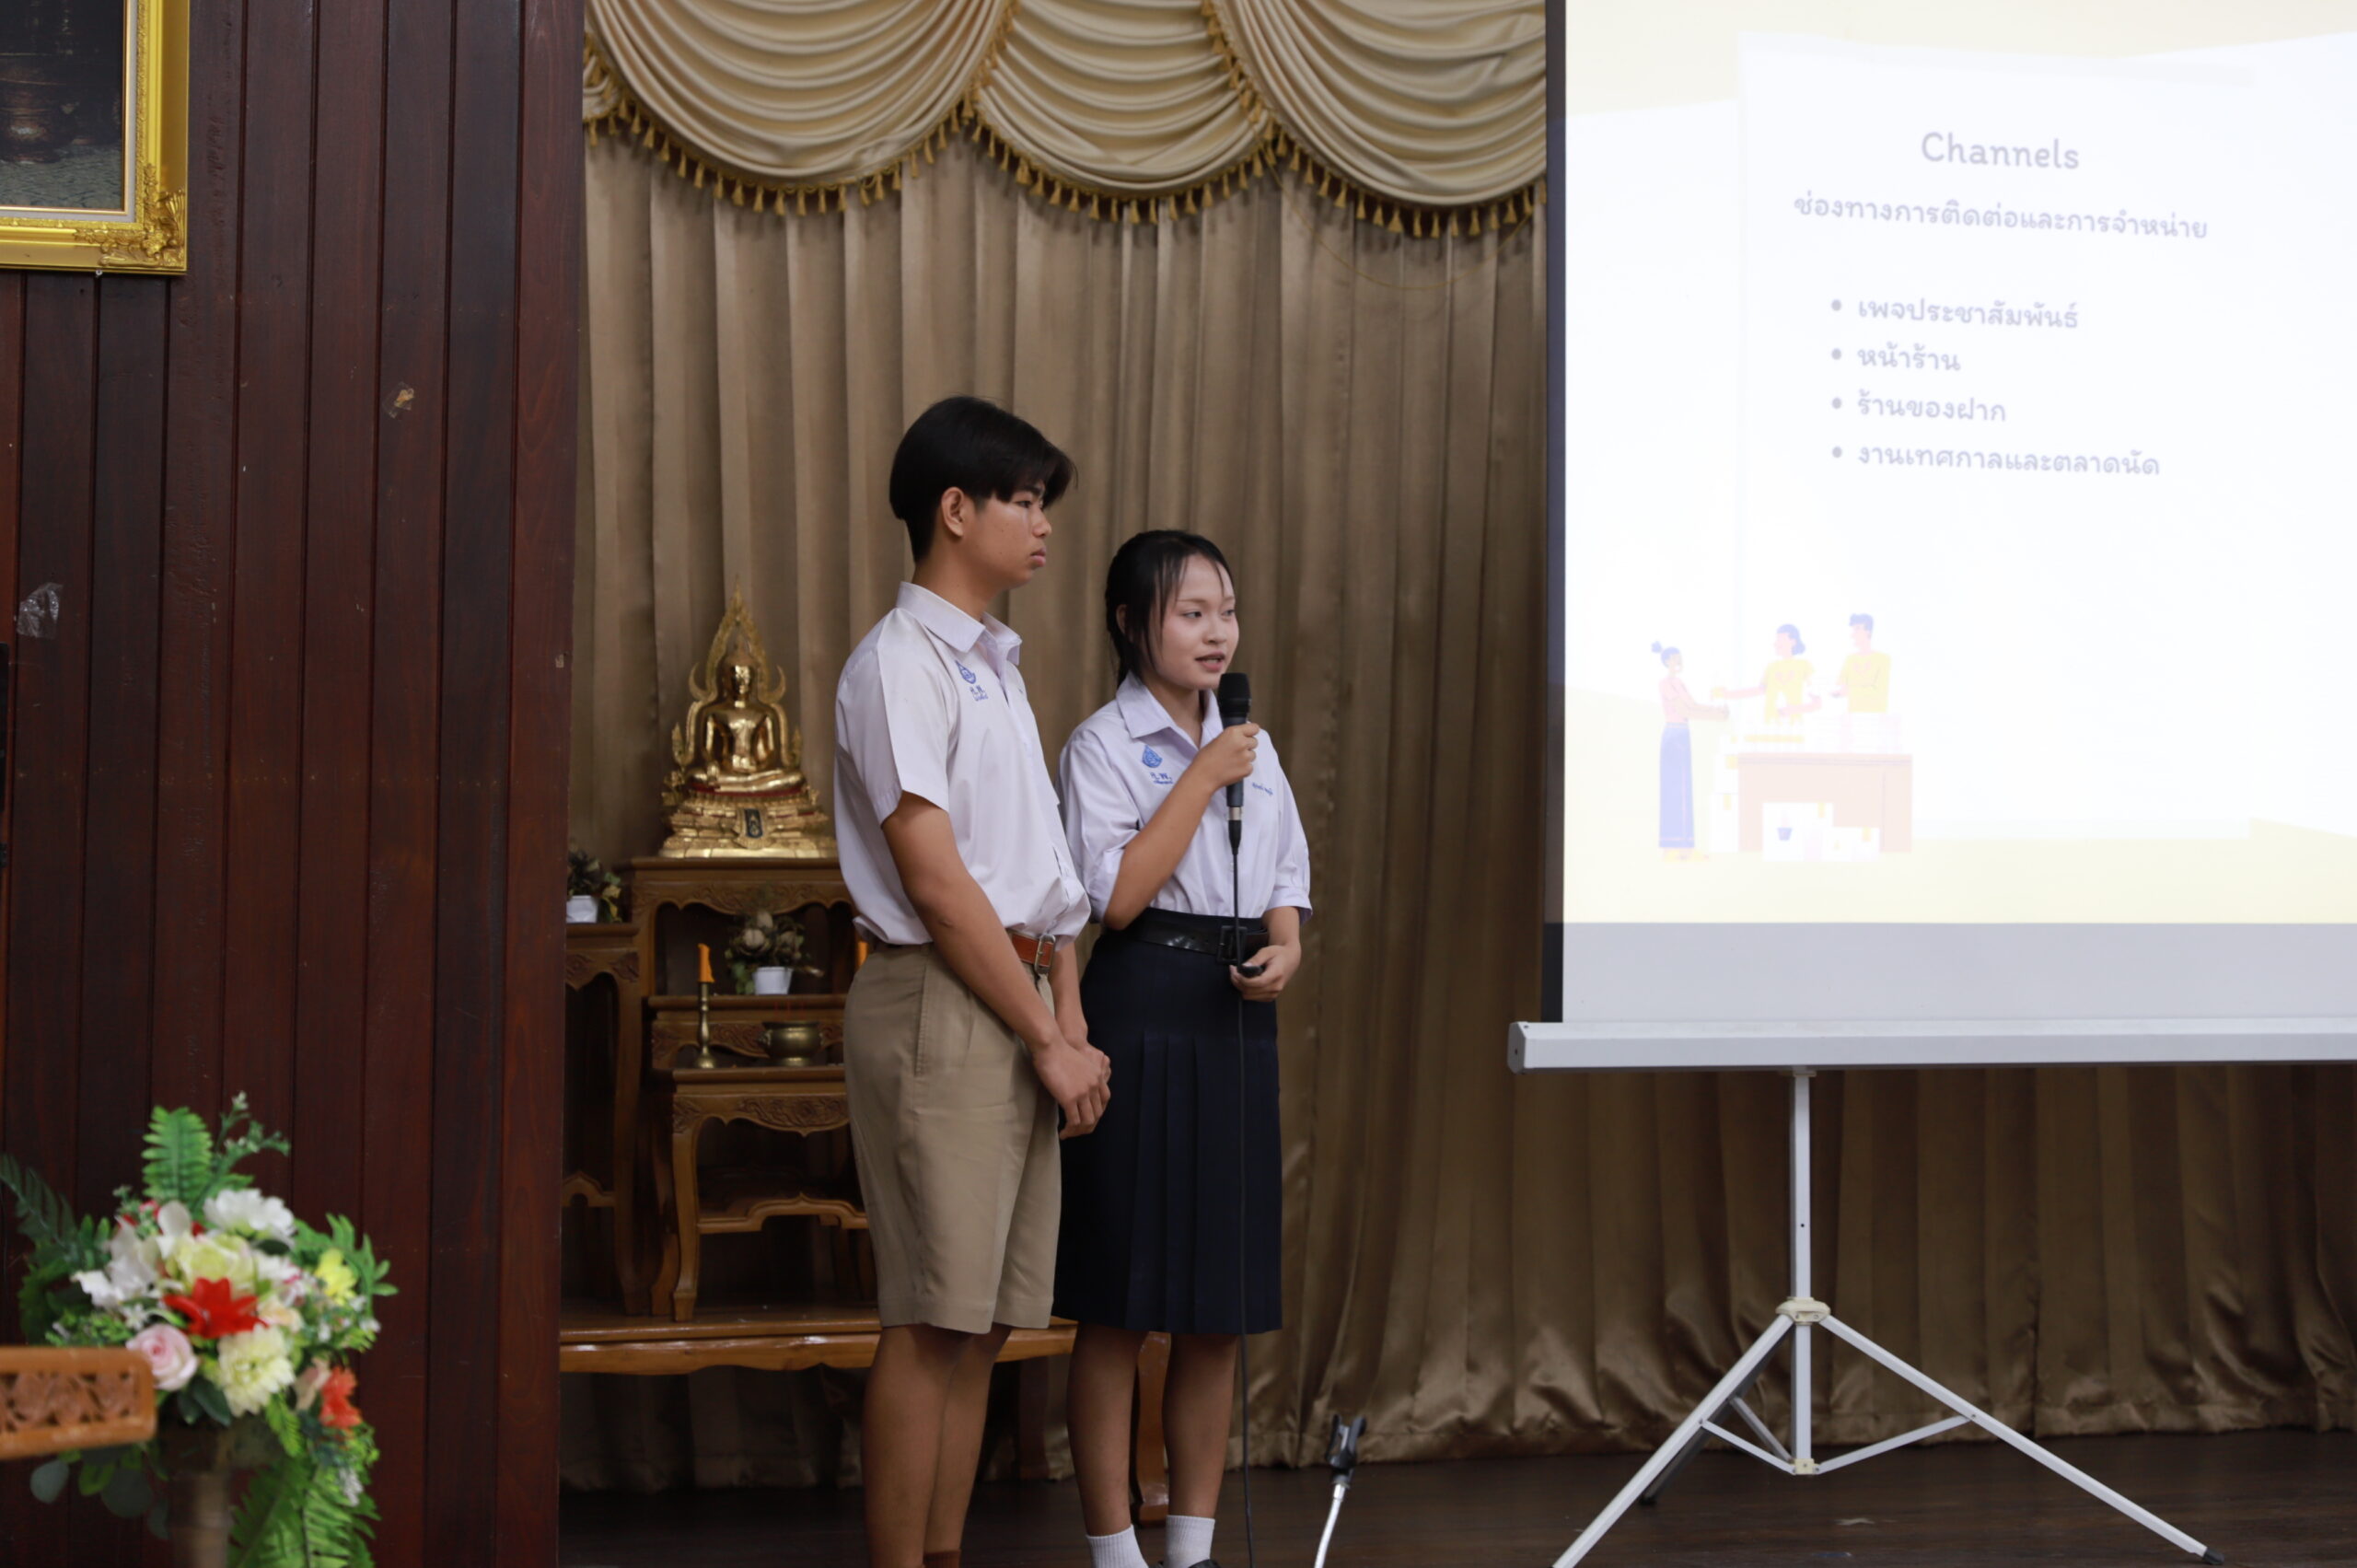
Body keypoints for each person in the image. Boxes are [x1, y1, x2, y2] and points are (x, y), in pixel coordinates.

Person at [832, 396, 1113, 1568]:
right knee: (931, 1316)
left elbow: (1040, 869)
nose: (1043, 525)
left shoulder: (995, 664)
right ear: (955, 509)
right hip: (940, 999)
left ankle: (942, 1553)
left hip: (1018, 994)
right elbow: (940, 881)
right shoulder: (900, 664)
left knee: (989, 1318)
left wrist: (1068, 1018)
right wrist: (1045, 1035)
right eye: (1024, 500)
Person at [1055, 531, 1311, 1568]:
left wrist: (1288, 943)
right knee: (1120, 1303)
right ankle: (1116, 1550)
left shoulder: (1250, 742)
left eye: (1227, 611)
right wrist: (1202, 775)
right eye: (1191, 612)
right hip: (1142, 1000)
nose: (1218, 633)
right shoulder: (1101, 744)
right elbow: (1114, 896)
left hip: (1233, 1013)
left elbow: (1285, 871)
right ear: (1131, 622)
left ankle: (1193, 1549)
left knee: (1216, 1307)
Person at [1652, 643, 1728, 859]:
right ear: (1667, 661)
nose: (1679, 662)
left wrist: (1716, 710)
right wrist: (1716, 716)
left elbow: (1693, 706)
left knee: (1684, 791)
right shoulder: (1665, 684)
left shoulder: (1680, 683)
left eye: (1680, 658)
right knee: (1673, 791)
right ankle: (1671, 848)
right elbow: (1684, 710)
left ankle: (1684, 847)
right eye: (1676, 658)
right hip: (1674, 735)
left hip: (1683, 735)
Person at [1718, 623, 1817, 723]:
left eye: (1780, 640)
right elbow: (1758, 690)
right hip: (1770, 725)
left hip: (1794, 725)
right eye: (1776, 640)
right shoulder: (1771, 667)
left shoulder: (1804, 665)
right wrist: (1727, 694)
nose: (1775, 644)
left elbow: (1817, 702)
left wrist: (1793, 710)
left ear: (1793, 642)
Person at [1830, 612, 1889, 714]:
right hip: (1853, 716)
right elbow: (1840, 685)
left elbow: (1879, 691)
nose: (1853, 635)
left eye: (1857, 629)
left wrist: (1849, 691)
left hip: (1875, 717)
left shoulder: (1883, 659)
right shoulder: (1850, 659)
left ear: (1868, 632)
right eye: (1853, 630)